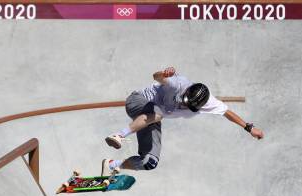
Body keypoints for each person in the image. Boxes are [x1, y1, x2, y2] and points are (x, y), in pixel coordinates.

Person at [102, 67, 264, 175]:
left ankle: (112, 165)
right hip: (137, 102)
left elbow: (227, 113)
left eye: (190, 107)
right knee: (159, 114)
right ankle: (119, 134)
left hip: (149, 120)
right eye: (185, 103)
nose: (184, 107)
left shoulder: (209, 102)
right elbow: (156, 77)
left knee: (149, 162)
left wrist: (249, 128)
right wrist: (164, 74)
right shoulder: (176, 85)